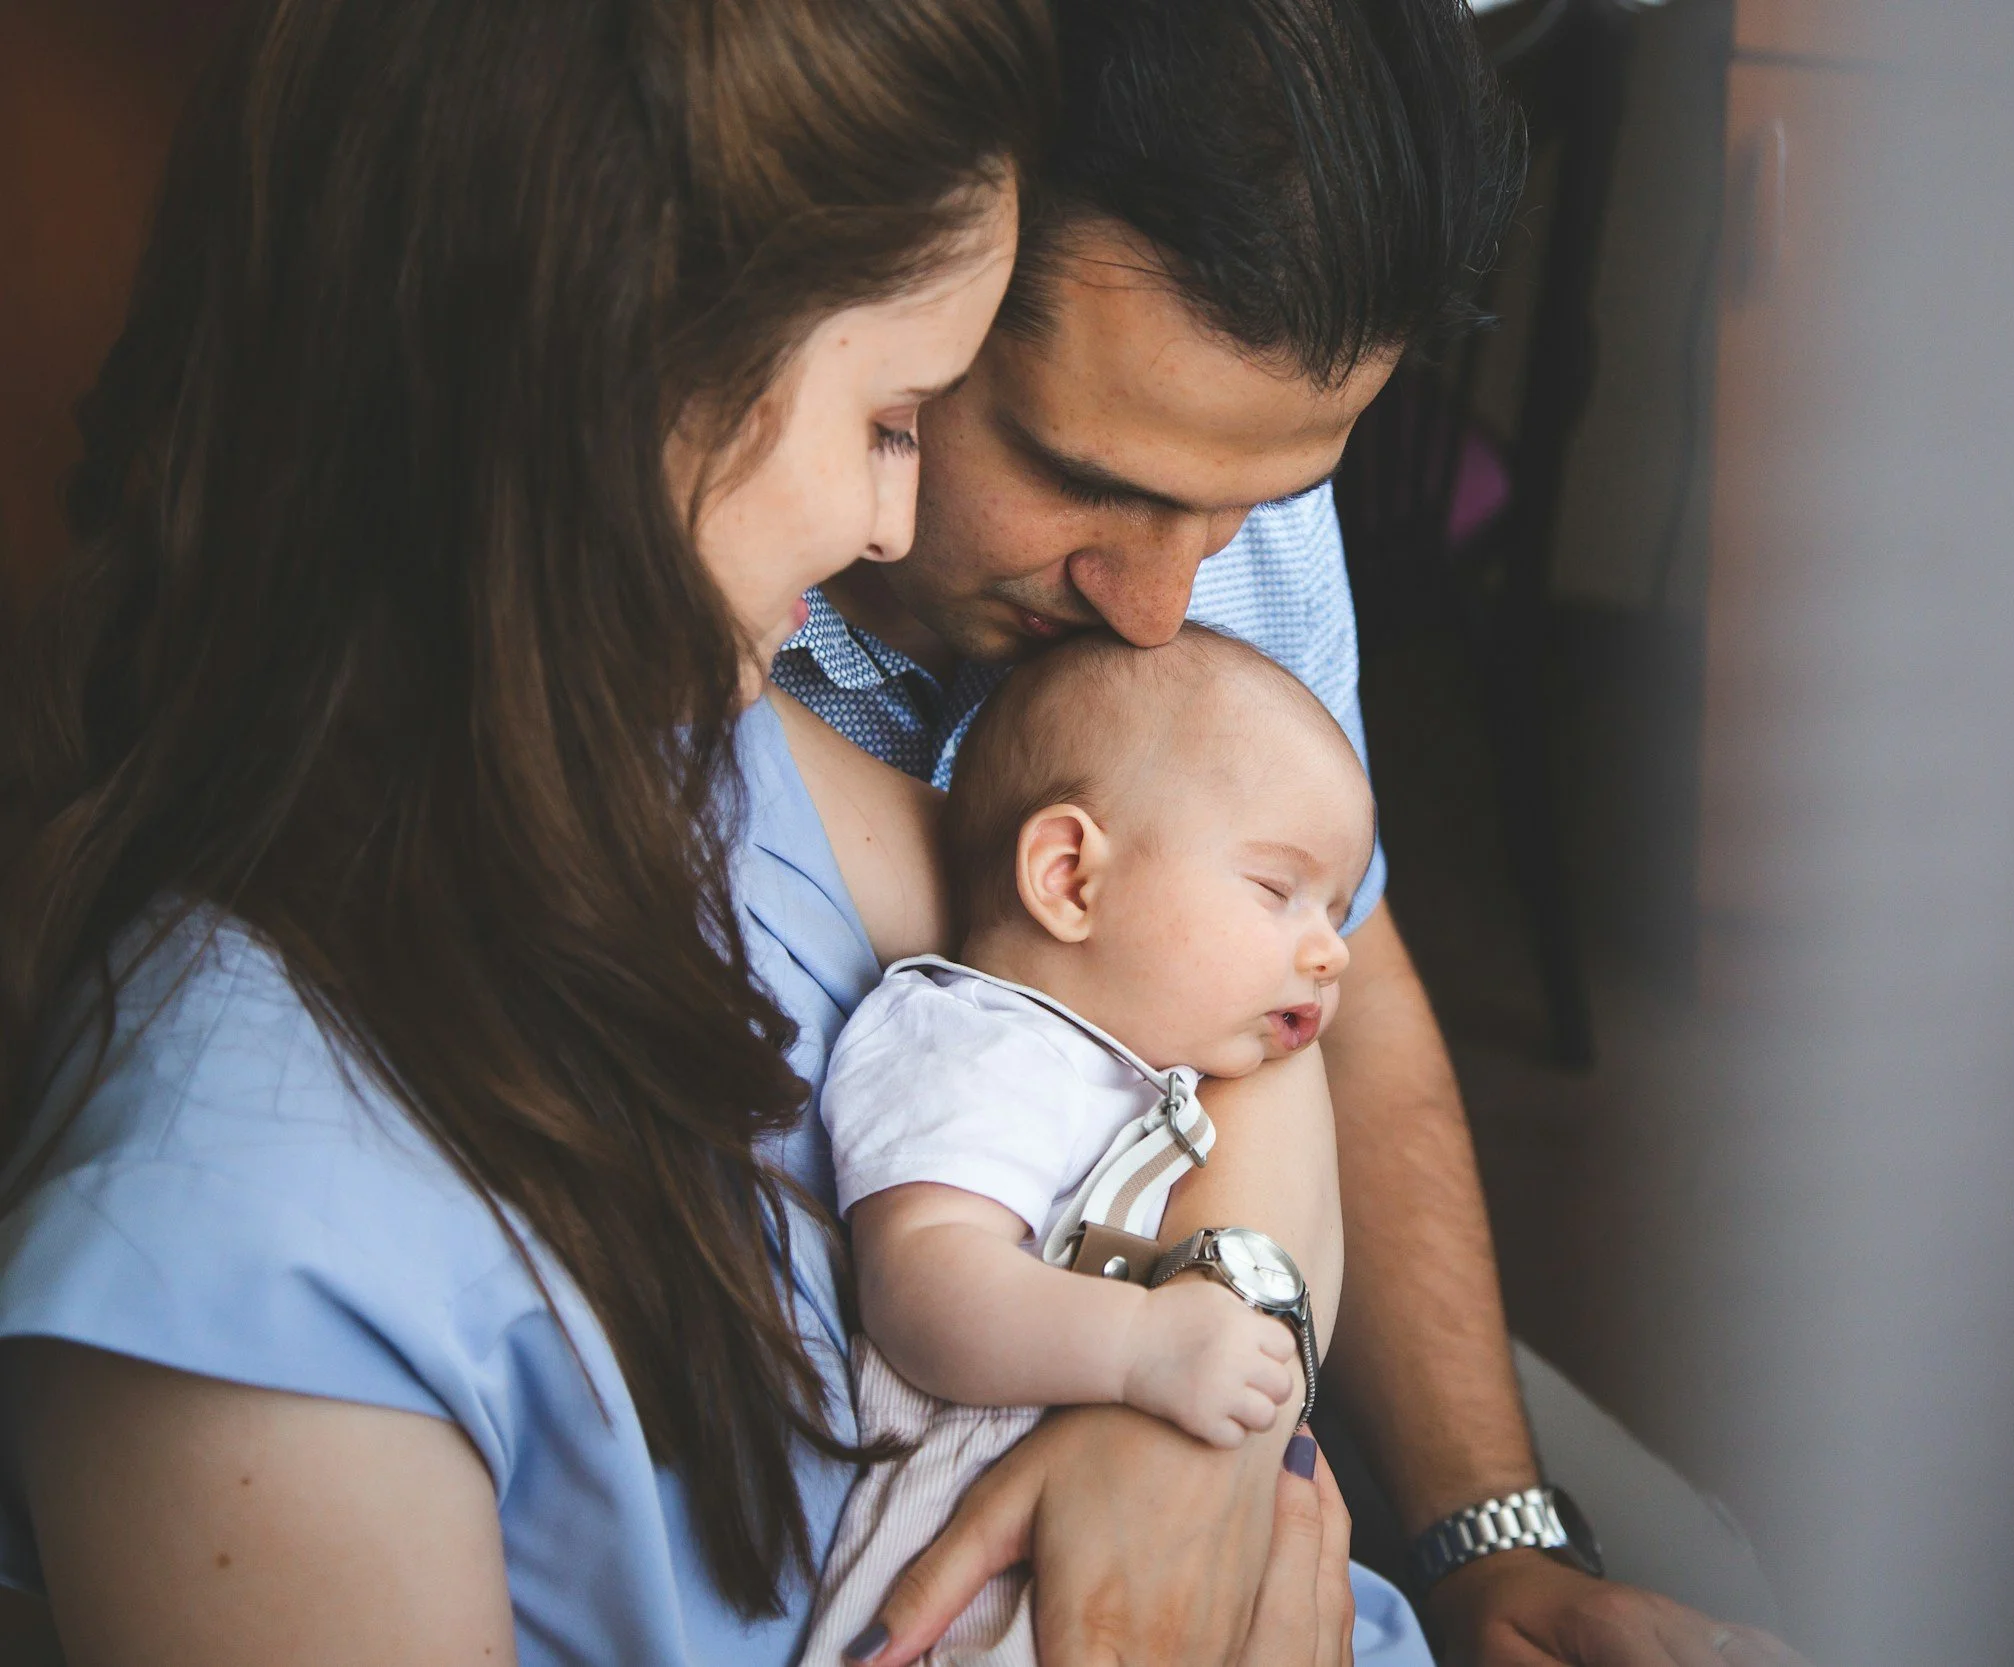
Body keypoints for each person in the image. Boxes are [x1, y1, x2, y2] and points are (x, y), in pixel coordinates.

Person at [0, 2, 1366, 1663]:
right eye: (888, 419)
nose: (888, 522)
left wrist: (1201, 1384)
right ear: (616, 390)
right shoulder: (252, 1270)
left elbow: (1220, 985)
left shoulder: (684, 754)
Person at [771, 2, 1808, 1663]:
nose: (1162, 605)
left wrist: (1489, 1537)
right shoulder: (694, 621)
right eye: (1085, 475)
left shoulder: (1225, 481)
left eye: (1251, 504)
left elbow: (1348, 977)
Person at [805, 625, 1377, 1663]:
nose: (1331, 952)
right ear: (1070, 877)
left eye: (1335, 912)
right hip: (971, 1559)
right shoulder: (980, 1039)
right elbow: (921, 1283)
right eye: (1275, 890)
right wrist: (1140, 1344)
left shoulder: (1138, 1070)